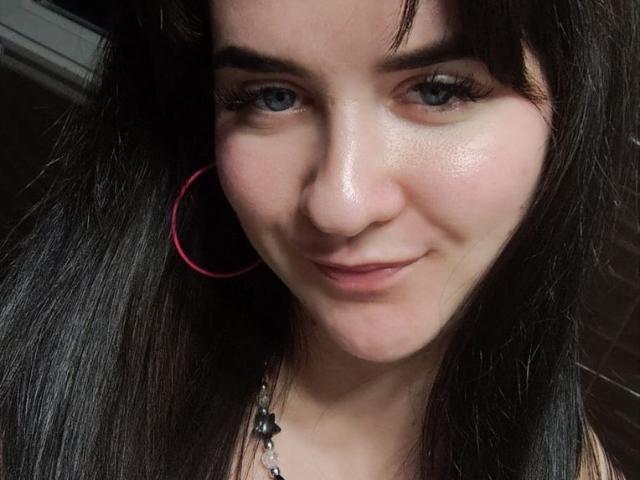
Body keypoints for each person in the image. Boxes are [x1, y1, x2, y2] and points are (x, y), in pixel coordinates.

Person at [0, 0, 637, 479]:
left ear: (570, 103)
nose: (340, 205)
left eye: (437, 90)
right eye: (273, 97)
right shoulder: (55, 402)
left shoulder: (568, 466)